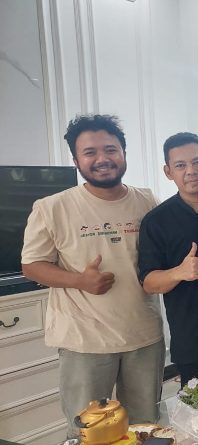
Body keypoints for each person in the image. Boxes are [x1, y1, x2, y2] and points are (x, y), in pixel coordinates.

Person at [21, 114, 164, 438]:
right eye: (90, 152)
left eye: (110, 149)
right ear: (76, 160)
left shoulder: (146, 200)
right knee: (87, 433)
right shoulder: (52, 207)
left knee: (145, 428)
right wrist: (79, 281)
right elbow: (31, 265)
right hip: (84, 341)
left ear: (123, 153)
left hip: (143, 335)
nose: (102, 159)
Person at [137, 132, 198, 388]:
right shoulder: (157, 221)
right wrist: (178, 272)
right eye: (180, 165)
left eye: (197, 162)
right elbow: (149, 282)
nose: (191, 171)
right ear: (168, 172)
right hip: (195, 341)